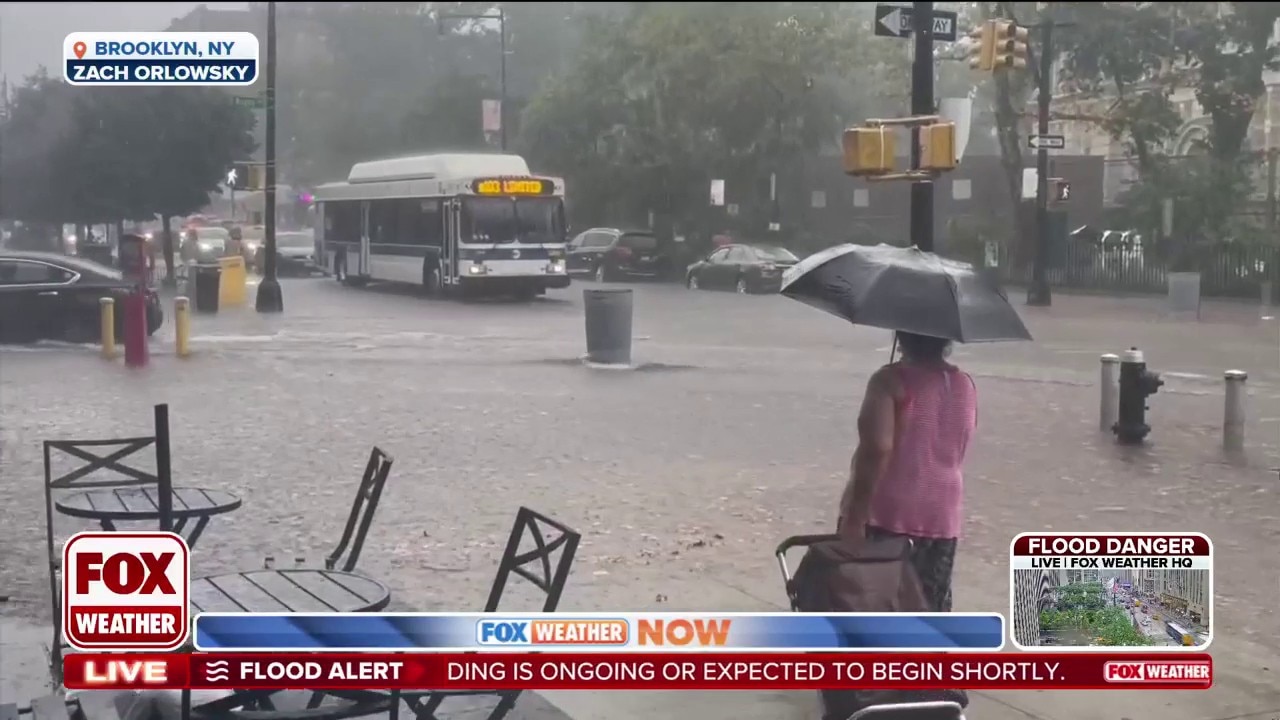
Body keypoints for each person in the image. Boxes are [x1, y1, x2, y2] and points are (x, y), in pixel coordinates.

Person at [838, 331, 977, 613]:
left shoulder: (888, 381)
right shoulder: (965, 384)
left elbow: (876, 447)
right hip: (943, 515)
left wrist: (856, 513)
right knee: (928, 609)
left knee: (872, 605)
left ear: (902, 333)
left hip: (889, 515)